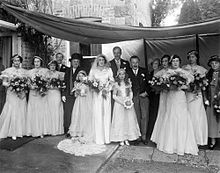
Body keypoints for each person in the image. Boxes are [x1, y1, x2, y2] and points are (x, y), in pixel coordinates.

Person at [155, 55, 198, 155]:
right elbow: (162, 84)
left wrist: (181, 86)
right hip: (171, 97)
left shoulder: (184, 72)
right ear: (171, 62)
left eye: (177, 61)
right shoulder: (167, 72)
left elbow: (190, 86)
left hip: (180, 97)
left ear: (179, 62)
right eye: (173, 61)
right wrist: (169, 86)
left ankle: (182, 145)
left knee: (181, 117)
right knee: (171, 116)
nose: (175, 63)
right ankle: (170, 144)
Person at [182, 50, 208, 146]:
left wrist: (199, 86)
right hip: (188, 94)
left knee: (197, 115)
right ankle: (187, 138)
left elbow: (205, 83)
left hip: (197, 95)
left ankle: (198, 139)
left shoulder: (202, 69)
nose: (191, 59)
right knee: (188, 114)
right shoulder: (184, 68)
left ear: (197, 58)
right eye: (190, 57)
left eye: (193, 57)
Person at [110, 68, 141, 146]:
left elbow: (130, 92)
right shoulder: (116, 84)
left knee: (128, 120)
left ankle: (127, 137)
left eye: (123, 74)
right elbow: (114, 96)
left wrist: (129, 100)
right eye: (120, 74)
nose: (122, 76)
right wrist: (122, 102)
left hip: (127, 103)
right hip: (119, 104)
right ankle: (121, 138)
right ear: (118, 75)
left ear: (125, 75)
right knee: (120, 120)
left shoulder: (128, 83)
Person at [0, 55, 27, 140]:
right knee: (12, 111)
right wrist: (13, 85)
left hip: (21, 93)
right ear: (12, 61)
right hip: (12, 93)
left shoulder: (24, 71)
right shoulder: (7, 71)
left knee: (21, 110)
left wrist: (22, 86)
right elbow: (4, 83)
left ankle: (21, 131)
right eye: (15, 61)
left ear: (20, 62)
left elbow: (27, 83)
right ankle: (12, 132)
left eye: (18, 61)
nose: (16, 62)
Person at [88, 54, 114, 144]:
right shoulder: (93, 70)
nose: (101, 61)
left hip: (106, 93)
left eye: (103, 60)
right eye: (99, 60)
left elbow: (112, 81)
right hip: (97, 94)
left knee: (106, 114)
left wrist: (107, 89)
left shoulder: (109, 70)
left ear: (105, 61)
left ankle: (106, 137)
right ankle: (99, 138)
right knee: (98, 113)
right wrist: (96, 87)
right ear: (97, 61)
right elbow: (90, 81)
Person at [127, 55, 150, 144]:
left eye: (136, 62)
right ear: (130, 63)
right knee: (136, 116)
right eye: (133, 62)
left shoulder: (144, 71)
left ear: (139, 62)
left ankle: (144, 136)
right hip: (134, 97)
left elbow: (150, 83)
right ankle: (137, 136)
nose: (135, 64)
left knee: (144, 116)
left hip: (144, 96)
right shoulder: (127, 72)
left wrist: (146, 92)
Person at [26, 56, 49, 138]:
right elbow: (28, 83)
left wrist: (42, 87)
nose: (36, 63)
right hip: (33, 93)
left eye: (38, 62)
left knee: (41, 111)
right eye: (35, 62)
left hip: (41, 94)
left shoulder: (45, 71)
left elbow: (47, 83)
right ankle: (32, 131)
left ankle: (41, 131)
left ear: (41, 63)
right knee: (33, 111)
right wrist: (31, 86)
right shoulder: (29, 72)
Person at [68, 70, 93, 141]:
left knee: (84, 115)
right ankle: (76, 132)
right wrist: (77, 92)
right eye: (79, 76)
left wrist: (83, 94)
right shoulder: (77, 84)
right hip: (78, 101)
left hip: (85, 101)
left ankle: (84, 131)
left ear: (85, 77)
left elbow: (89, 94)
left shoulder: (88, 84)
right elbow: (75, 94)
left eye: (82, 76)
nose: (81, 77)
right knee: (77, 115)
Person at [62, 53, 83, 136]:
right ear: (71, 62)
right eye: (74, 61)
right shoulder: (67, 71)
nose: (75, 63)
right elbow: (64, 83)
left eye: (77, 61)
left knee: (77, 113)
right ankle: (68, 130)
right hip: (68, 94)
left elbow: (84, 82)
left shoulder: (82, 71)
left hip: (78, 95)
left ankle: (77, 131)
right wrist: (63, 94)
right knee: (68, 113)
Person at [151, 55, 170, 143]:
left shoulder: (173, 71)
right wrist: (159, 87)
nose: (164, 63)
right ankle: (161, 137)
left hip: (171, 94)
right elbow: (153, 82)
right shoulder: (160, 72)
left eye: (166, 61)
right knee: (162, 112)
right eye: (163, 62)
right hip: (163, 94)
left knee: (170, 113)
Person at [205, 55, 220, 149]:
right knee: (212, 119)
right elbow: (204, 87)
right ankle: (213, 139)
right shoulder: (208, 74)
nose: (214, 65)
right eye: (212, 63)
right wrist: (205, 98)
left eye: (216, 63)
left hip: (219, 97)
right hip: (211, 99)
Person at [46, 60, 64, 136]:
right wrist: (48, 86)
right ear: (49, 66)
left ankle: (57, 129)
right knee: (49, 109)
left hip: (56, 93)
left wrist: (58, 86)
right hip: (49, 93)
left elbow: (62, 85)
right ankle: (49, 129)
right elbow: (44, 84)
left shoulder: (59, 74)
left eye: (54, 65)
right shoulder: (46, 74)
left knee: (56, 109)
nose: (52, 67)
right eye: (51, 65)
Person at [146, 58, 161, 142]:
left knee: (159, 113)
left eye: (156, 63)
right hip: (152, 96)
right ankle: (151, 133)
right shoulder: (150, 73)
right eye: (153, 64)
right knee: (152, 114)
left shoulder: (161, 73)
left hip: (159, 95)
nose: (155, 65)